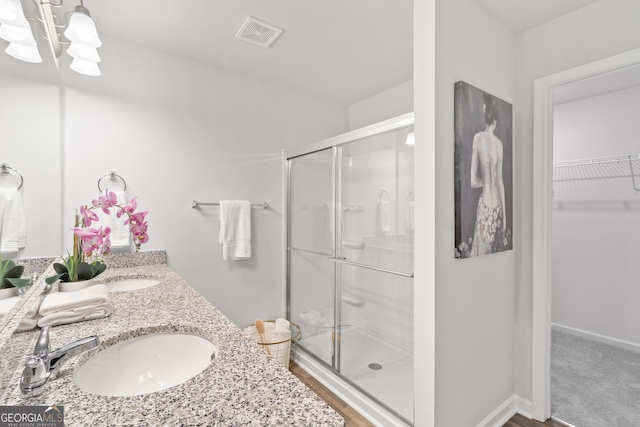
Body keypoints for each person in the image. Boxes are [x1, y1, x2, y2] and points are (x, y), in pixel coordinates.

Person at [470, 93, 506, 256]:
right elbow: (500, 182)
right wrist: (505, 217)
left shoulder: (477, 139)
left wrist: (484, 181)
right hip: (497, 207)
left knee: (480, 255)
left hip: (485, 206)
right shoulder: (499, 145)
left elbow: (472, 181)